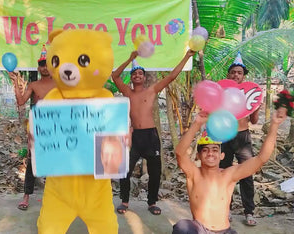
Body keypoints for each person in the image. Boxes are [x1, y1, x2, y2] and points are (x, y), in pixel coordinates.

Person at [173, 108, 286, 233]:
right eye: (205, 150)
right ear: (198, 156)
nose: (210, 153)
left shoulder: (229, 175)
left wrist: (274, 125)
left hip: (224, 231)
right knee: (182, 227)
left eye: (215, 150)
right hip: (200, 230)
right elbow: (180, 153)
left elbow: (261, 158)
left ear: (222, 155)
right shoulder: (194, 174)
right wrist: (197, 123)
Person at [113, 49, 195, 215]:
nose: (137, 75)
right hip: (135, 136)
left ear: (144, 78)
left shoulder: (151, 91)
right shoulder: (127, 92)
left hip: (150, 136)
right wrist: (130, 59)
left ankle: (152, 202)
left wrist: (186, 55)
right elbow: (115, 76)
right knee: (125, 170)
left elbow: (171, 76)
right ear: (132, 77)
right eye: (134, 73)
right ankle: (124, 201)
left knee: (155, 172)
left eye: (140, 73)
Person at [8, 45, 55, 211]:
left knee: (56, 161)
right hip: (37, 126)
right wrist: (15, 82)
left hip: (56, 127)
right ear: (38, 67)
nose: (45, 67)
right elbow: (21, 102)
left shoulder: (61, 84)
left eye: (48, 64)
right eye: (42, 64)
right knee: (32, 160)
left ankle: (53, 196)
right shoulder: (34, 85)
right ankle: (26, 196)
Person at [219, 52, 260, 226]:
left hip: (243, 137)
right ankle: (223, 210)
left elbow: (254, 121)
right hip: (225, 136)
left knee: (246, 175)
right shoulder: (222, 92)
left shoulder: (249, 94)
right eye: (233, 72)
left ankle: (249, 212)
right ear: (228, 75)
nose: (236, 75)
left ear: (243, 76)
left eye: (239, 73)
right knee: (223, 174)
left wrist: (256, 105)